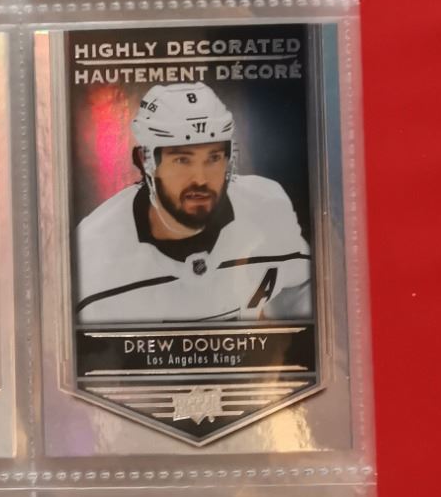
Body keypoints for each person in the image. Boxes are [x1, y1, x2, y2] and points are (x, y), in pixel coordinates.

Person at [74, 81, 311, 323]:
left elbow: (304, 293)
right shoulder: (91, 256)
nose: (200, 179)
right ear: (146, 161)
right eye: (182, 160)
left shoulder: (266, 208)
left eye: (213, 158)